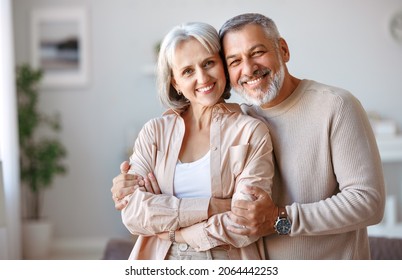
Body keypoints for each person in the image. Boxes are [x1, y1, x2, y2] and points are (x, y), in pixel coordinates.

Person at [112, 13, 386, 259]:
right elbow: (137, 209)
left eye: (257, 53)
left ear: (283, 50)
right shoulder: (242, 117)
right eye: (234, 60)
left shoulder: (335, 105)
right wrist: (133, 192)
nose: (248, 68)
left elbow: (368, 202)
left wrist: (280, 218)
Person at [115, 21, 274, 260]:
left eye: (208, 63)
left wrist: (174, 233)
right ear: (175, 83)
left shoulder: (251, 131)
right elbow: (134, 214)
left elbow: (245, 223)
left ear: (222, 65)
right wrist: (212, 207)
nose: (202, 78)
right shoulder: (155, 132)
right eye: (188, 71)